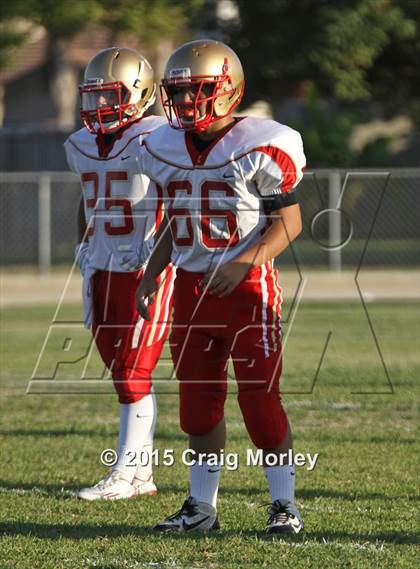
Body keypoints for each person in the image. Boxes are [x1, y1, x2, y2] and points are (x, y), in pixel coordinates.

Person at [131, 39, 306, 534]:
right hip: (191, 291)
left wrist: (243, 262)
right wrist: (152, 271)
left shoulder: (262, 142)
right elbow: (178, 219)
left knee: (260, 404)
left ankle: (284, 505)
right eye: (178, 92)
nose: (186, 102)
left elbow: (289, 223)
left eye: (198, 90)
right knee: (197, 409)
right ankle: (201, 507)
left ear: (229, 89)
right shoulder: (163, 145)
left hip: (248, 290)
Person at [64, 47, 175, 500]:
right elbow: (87, 199)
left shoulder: (157, 138)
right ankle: (141, 474)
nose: (100, 106)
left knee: (133, 372)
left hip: (142, 267)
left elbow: (180, 196)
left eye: (110, 95)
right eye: (94, 96)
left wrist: (161, 252)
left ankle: (126, 474)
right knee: (122, 374)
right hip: (102, 267)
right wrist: (83, 245)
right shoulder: (82, 144)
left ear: (139, 94)